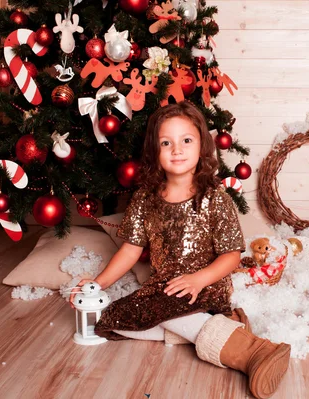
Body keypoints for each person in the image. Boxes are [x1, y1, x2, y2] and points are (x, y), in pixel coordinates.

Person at [69, 102, 291, 399]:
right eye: (166, 143)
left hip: (207, 285)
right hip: (164, 288)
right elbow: (131, 249)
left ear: (202, 146)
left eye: (186, 140)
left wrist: (199, 280)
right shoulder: (145, 199)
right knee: (111, 321)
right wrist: (101, 283)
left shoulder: (214, 199)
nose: (176, 149)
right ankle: (219, 327)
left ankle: (254, 352)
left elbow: (231, 256)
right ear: (154, 152)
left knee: (166, 312)